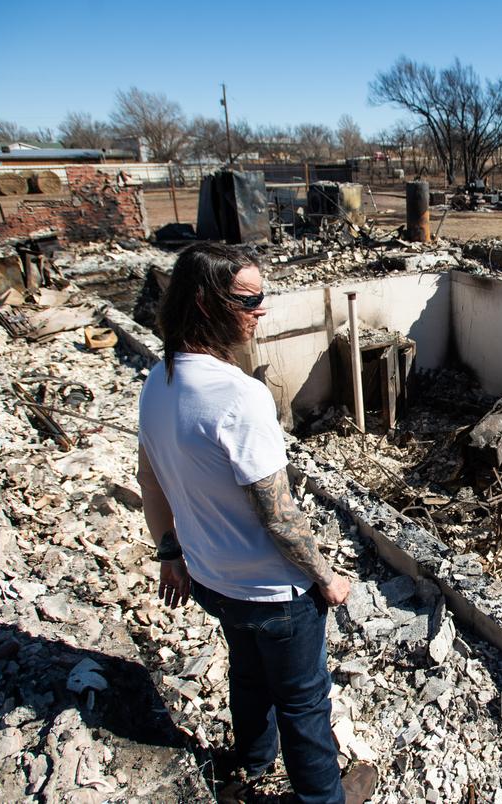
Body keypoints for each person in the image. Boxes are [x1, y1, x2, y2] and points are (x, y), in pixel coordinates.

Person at [135, 243, 373, 803]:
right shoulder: (239, 397)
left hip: (214, 581)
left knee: (246, 675)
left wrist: (170, 554)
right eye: (250, 299)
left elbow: (150, 480)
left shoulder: (158, 380)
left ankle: (251, 761)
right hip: (275, 593)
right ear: (205, 302)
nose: (262, 309)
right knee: (303, 701)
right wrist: (326, 577)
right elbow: (280, 517)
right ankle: (322, 798)